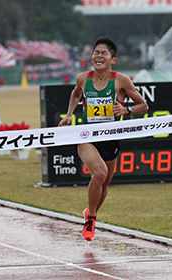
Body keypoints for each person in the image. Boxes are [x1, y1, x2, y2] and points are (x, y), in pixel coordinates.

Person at [58, 37, 148, 241]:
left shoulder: (121, 80)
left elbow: (144, 106)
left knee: (104, 185)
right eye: (95, 52)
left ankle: (90, 213)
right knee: (99, 173)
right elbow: (75, 95)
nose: (98, 56)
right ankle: (91, 219)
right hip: (87, 136)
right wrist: (70, 114)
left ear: (113, 60)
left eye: (103, 53)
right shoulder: (82, 78)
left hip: (111, 137)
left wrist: (127, 109)